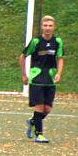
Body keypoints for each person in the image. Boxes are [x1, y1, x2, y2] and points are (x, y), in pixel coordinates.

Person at [20, 15, 63, 143]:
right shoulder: (36, 42)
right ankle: (39, 135)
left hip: (50, 78)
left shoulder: (58, 41)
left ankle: (33, 121)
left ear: (54, 27)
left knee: (47, 109)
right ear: (42, 27)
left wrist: (59, 73)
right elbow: (22, 57)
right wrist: (24, 74)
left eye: (50, 26)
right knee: (39, 106)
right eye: (45, 25)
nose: (47, 28)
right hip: (37, 78)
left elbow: (60, 58)